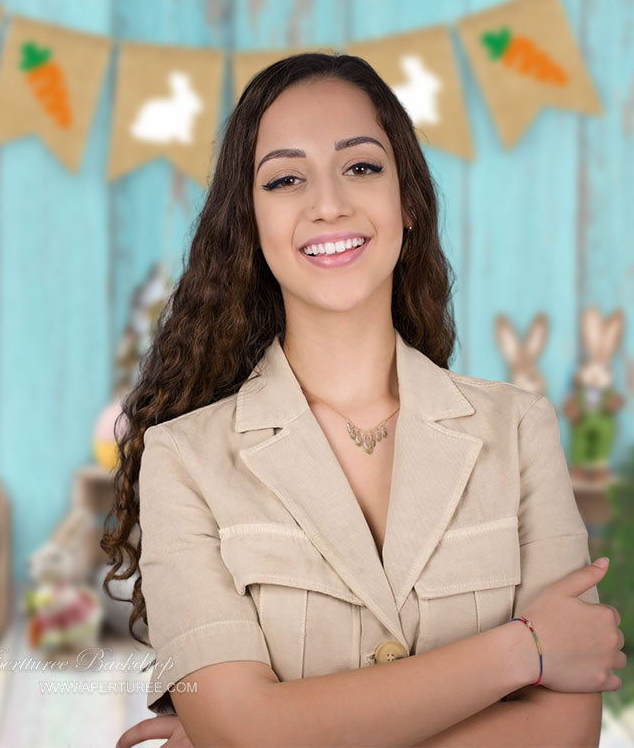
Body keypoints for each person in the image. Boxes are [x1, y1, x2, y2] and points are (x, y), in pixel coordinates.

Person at [102, 52, 626, 748]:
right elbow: (244, 731)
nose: (328, 204)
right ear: (250, 225)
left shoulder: (520, 431)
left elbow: (565, 734)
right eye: (286, 179)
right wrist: (523, 651)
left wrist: (271, 732)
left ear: (406, 199)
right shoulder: (182, 460)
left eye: (361, 166)